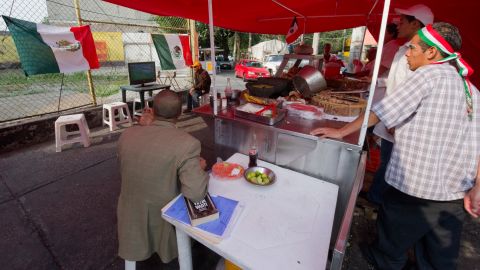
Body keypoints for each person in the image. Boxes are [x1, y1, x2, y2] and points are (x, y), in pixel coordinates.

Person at [311, 22, 480, 269]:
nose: (408, 53)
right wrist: (477, 187)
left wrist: (341, 131)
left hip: (415, 187)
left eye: (412, 48)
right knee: (438, 258)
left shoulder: (427, 75)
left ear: (431, 53)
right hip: (453, 193)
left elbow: (381, 111)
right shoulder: (470, 90)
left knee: (390, 246)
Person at [117, 89, 209, 265]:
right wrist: (201, 168)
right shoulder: (187, 144)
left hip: (129, 211)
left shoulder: (126, 135)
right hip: (163, 219)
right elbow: (196, 194)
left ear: (152, 109)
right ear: (180, 112)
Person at [369, 4, 434, 205]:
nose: (398, 23)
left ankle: (379, 203)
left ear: (416, 23)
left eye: (403, 20)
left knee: (392, 167)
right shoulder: (405, 48)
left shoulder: (420, 54)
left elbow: (415, 92)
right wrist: (374, 82)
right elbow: (395, 80)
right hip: (391, 116)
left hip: (400, 121)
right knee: (387, 163)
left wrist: (398, 121)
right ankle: (378, 201)